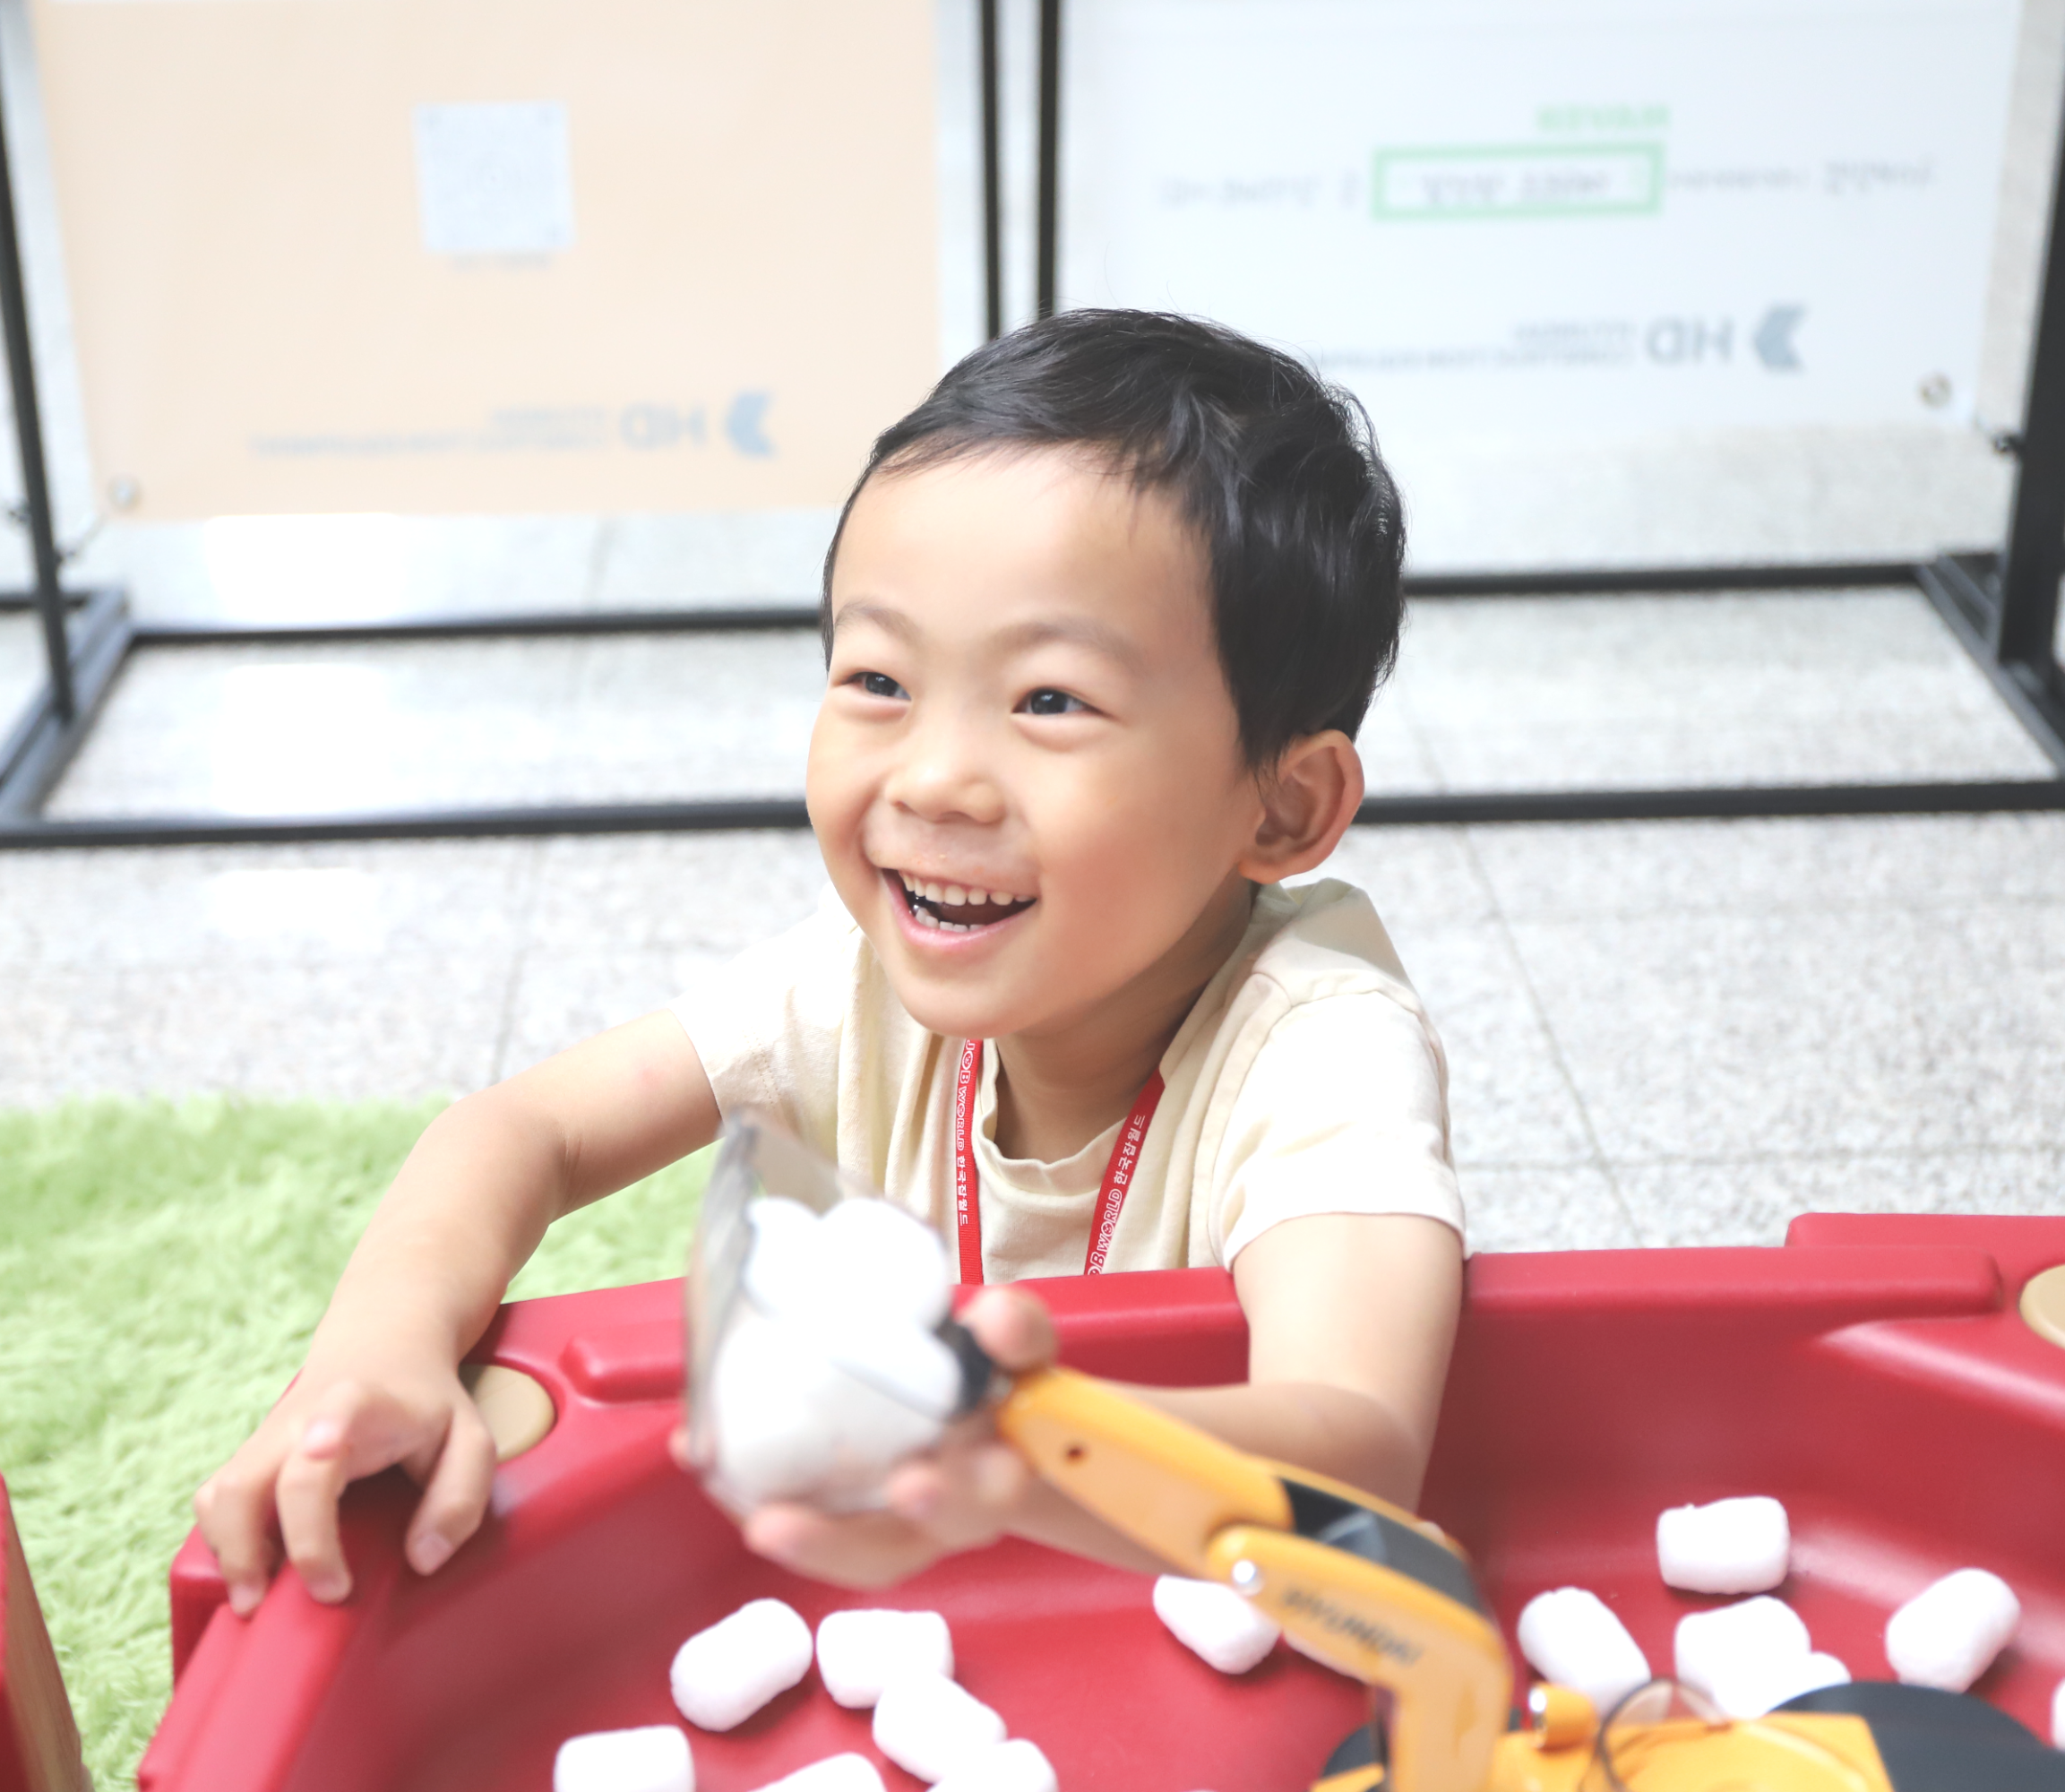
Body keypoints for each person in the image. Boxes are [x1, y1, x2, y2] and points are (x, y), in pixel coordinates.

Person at [194, 309, 1466, 1610]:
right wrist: (378, 1347)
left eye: (1050, 700)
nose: (933, 778)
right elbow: (526, 1129)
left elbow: (1363, 1459)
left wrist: (1006, 1455)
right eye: (879, 681)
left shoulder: (1320, 1046)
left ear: (1283, 809)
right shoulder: (856, 986)